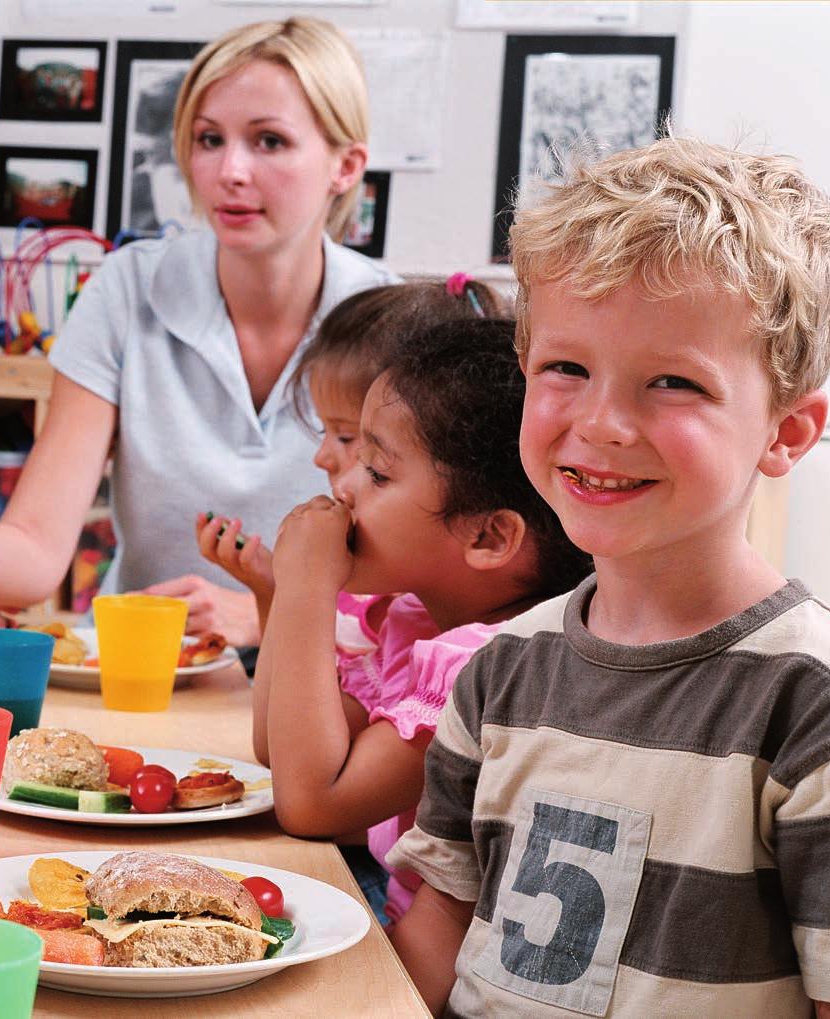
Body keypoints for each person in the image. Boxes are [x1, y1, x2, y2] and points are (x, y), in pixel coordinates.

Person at [387, 135, 830, 1018]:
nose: (600, 423)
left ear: (786, 432)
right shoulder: (499, 668)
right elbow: (441, 915)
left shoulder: (811, 700)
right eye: (566, 367)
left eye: (671, 382)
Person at [0, 17, 396, 647]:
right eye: (209, 139)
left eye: (269, 141)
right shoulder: (126, 289)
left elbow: (436, 597)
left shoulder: (394, 323)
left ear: (346, 165)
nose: (230, 170)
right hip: (148, 670)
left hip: (333, 680)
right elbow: (35, 551)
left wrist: (267, 611)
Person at [251, 318, 592, 925]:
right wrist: (293, 590)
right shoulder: (416, 621)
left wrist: (305, 587)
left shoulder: (488, 667)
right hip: (393, 921)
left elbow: (311, 802)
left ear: (488, 536)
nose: (347, 487)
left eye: (379, 473)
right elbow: (279, 752)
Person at [197, 275, 508, 635]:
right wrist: (273, 588)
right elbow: (282, 690)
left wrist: (301, 589)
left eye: (346, 437)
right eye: (322, 430)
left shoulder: (443, 629)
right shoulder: (362, 589)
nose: (322, 458)